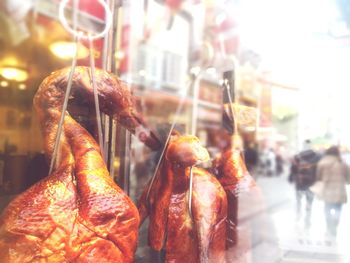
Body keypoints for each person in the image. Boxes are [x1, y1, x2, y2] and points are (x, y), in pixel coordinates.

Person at [316, 145, 350, 237]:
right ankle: (334, 225)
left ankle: (329, 226)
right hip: (339, 190)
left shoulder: (322, 162)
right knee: (338, 209)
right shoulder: (342, 162)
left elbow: (318, 176)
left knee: (327, 208)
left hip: (327, 190)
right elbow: (348, 176)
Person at [289, 140, 320, 228]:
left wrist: (292, 177)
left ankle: (298, 215)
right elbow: (319, 170)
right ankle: (308, 216)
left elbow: (293, 169)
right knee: (309, 200)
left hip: (300, 182)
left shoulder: (297, 156)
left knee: (299, 200)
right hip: (312, 183)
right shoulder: (317, 157)